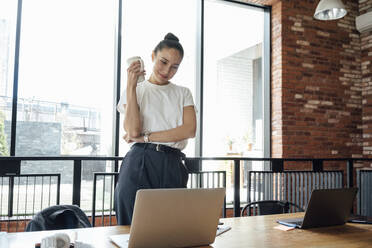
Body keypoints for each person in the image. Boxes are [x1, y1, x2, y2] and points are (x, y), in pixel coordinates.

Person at [114, 33, 197, 225]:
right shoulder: (135, 90)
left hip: (172, 163)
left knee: (171, 229)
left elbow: (189, 130)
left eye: (174, 66)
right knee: (131, 230)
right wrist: (131, 86)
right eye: (163, 62)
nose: (167, 70)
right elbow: (133, 131)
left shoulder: (183, 93)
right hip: (139, 161)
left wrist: (146, 137)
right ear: (152, 56)